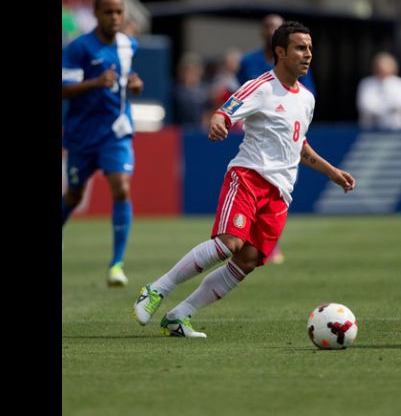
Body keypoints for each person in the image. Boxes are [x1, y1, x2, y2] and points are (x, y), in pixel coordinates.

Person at [133, 21, 355, 338]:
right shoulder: (261, 86)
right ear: (280, 52)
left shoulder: (306, 98)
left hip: (280, 194)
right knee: (229, 244)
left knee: (247, 260)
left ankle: (180, 316)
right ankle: (156, 289)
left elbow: (298, 143)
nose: (308, 55)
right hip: (249, 177)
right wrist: (218, 122)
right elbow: (225, 111)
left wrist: (331, 171)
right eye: (300, 48)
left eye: (309, 48)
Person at [61, 0, 144, 287]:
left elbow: (128, 77)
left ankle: (116, 263)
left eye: (119, 12)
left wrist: (135, 84)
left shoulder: (128, 44)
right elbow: (64, 88)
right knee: (73, 195)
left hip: (116, 132)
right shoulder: (78, 48)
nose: (115, 18)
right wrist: (96, 82)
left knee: (121, 187)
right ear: (96, 14)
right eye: (108, 12)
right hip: (82, 135)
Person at [237, 14, 315, 263]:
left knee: (277, 183)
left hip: (286, 121)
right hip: (257, 124)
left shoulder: (301, 78)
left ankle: (268, 241)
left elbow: (305, 90)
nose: (307, 53)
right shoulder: (250, 64)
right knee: (253, 177)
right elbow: (241, 92)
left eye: (277, 27)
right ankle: (241, 230)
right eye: (268, 27)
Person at [356, 52, 401, 130]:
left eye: (386, 67)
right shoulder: (366, 83)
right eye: (379, 67)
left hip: (397, 128)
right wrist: (384, 110)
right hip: (370, 128)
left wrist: (382, 108)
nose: (382, 70)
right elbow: (365, 106)